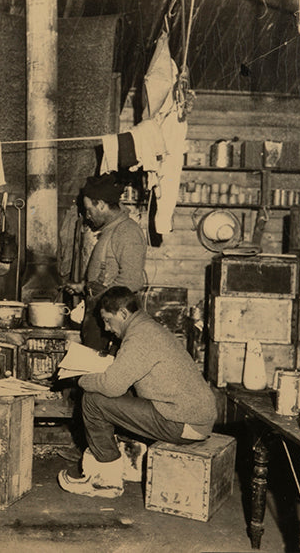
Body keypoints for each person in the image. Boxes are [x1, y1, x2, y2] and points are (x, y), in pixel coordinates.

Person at [58, 286, 217, 498]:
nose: (106, 328)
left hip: (183, 423)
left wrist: (81, 380)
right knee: (114, 395)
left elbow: (112, 386)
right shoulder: (147, 327)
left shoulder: (139, 337)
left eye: (108, 320)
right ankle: (123, 460)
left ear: (123, 314)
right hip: (191, 417)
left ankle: (106, 481)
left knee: (92, 400)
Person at [64, 172, 146, 353]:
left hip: (113, 319)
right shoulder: (112, 230)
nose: (87, 215)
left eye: (89, 209)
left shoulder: (127, 232)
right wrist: (84, 287)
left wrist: (100, 295)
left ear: (101, 205)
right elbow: (108, 274)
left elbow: (132, 281)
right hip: (102, 314)